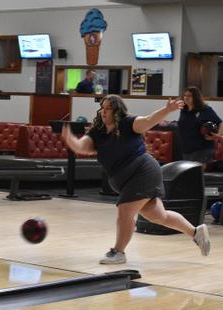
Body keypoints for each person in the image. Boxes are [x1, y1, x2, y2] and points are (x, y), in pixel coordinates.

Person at [62, 94, 210, 264]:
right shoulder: (98, 132)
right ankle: (195, 232)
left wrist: (168, 109)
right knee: (158, 216)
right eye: (103, 108)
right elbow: (82, 147)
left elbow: (148, 120)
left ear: (117, 111)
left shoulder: (128, 123)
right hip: (128, 180)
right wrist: (70, 138)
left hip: (143, 171)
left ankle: (118, 252)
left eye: (109, 108)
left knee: (125, 211)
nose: (104, 112)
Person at [178, 86, 223, 165]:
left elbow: (221, 123)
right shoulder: (183, 110)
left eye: (189, 96)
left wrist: (218, 135)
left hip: (202, 149)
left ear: (196, 97)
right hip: (187, 149)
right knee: (188, 175)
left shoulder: (205, 109)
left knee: (196, 174)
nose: (186, 98)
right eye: (185, 95)